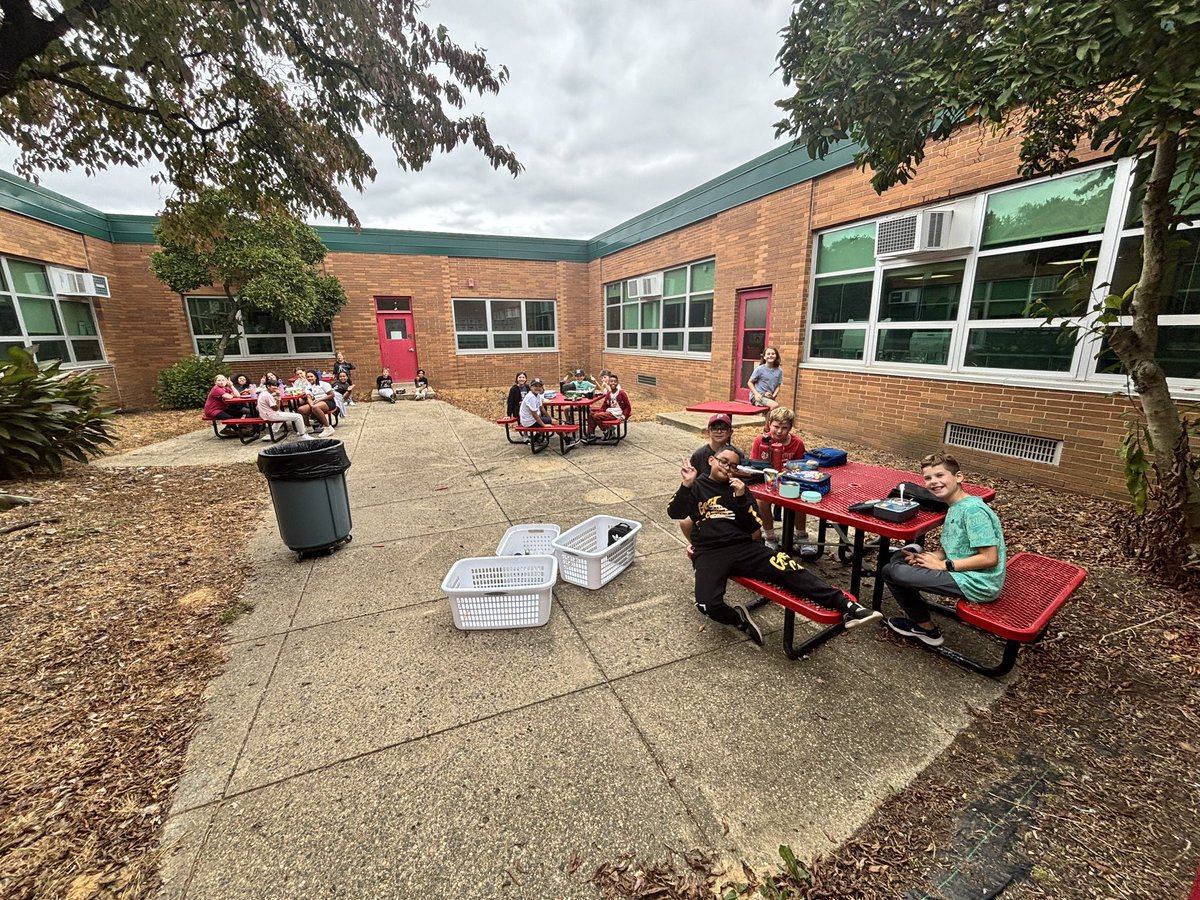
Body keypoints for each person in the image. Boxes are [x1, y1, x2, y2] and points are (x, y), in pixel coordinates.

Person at [667, 446, 882, 645]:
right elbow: (674, 513)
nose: (728, 468)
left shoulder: (740, 489)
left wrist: (742, 498)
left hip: (744, 549)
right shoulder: (695, 486)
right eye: (724, 462)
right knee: (708, 605)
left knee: (790, 568)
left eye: (733, 466)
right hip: (710, 552)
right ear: (712, 460)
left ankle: (850, 607)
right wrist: (686, 485)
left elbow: (754, 526)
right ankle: (739, 619)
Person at [883, 453, 1007, 648]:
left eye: (940, 476)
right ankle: (913, 556)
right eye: (928, 478)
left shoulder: (973, 510)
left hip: (978, 583)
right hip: (962, 571)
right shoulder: (954, 506)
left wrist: (942, 565)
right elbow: (953, 546)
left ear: (958, 477)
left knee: (892, 571)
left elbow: (990, 558)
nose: (933, 482)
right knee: (899, 560)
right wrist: (931, 557)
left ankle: (926, 630)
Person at [749, 407, 814, 554]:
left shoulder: (797, 443)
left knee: (799, 501)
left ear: (790, 427)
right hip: (767, 481)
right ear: (769, 424)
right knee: (761, 501)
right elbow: (754, 465)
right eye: (776, 427)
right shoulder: (760, 441)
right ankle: (770, 536)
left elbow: (801, 469)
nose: (779, 431)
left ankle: (801, 537)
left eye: (784, 428)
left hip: (789, 481)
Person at [679, 414, 736, 545]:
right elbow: (692, 486)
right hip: (704, 501)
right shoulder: (699, 455)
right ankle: (698, 548)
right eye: (715, 428)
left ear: (730, 432)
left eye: (723, 428)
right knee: (686, 522)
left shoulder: (736, 454)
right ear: (708, 431)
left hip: (728, 499)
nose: (719, 431)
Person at [256, 377, 327, 440]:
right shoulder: (268, 396)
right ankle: (303, 435)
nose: (275, 388)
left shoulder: (263, 393)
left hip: (264, 414)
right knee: (298, 416)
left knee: (283, 415)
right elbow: (276, 409)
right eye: (273, 387)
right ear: (268, 386)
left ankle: (270, 434)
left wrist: (275, 395)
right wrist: (278, 397)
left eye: (276, 386)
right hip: (270, 415)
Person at [585, 372, 631, 440]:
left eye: (615, 382)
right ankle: (591, 435)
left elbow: (628, 407)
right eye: (611, 381)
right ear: (609, 383)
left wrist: (623, 416)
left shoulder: (621, 393)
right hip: (609, 412)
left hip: (617, 413)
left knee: (596, 416)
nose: (613, 383)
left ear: (617, 383)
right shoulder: (609, 394)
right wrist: (599, 412)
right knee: (591, 414)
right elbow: (604, 406)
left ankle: (607, 431)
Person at [518, 377, 553, 445]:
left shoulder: (537, 395)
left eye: (539, 386)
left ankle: (534, 440)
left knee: (551, 421)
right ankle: (567, 440)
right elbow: (534, 414)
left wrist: (549, 418)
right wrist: (544, 425)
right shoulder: (531, 397)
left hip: (531, 420)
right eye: (535, 386)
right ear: (530, 387)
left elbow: (542, 408)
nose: (537, 388)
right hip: (529, 422)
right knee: (555, 422)